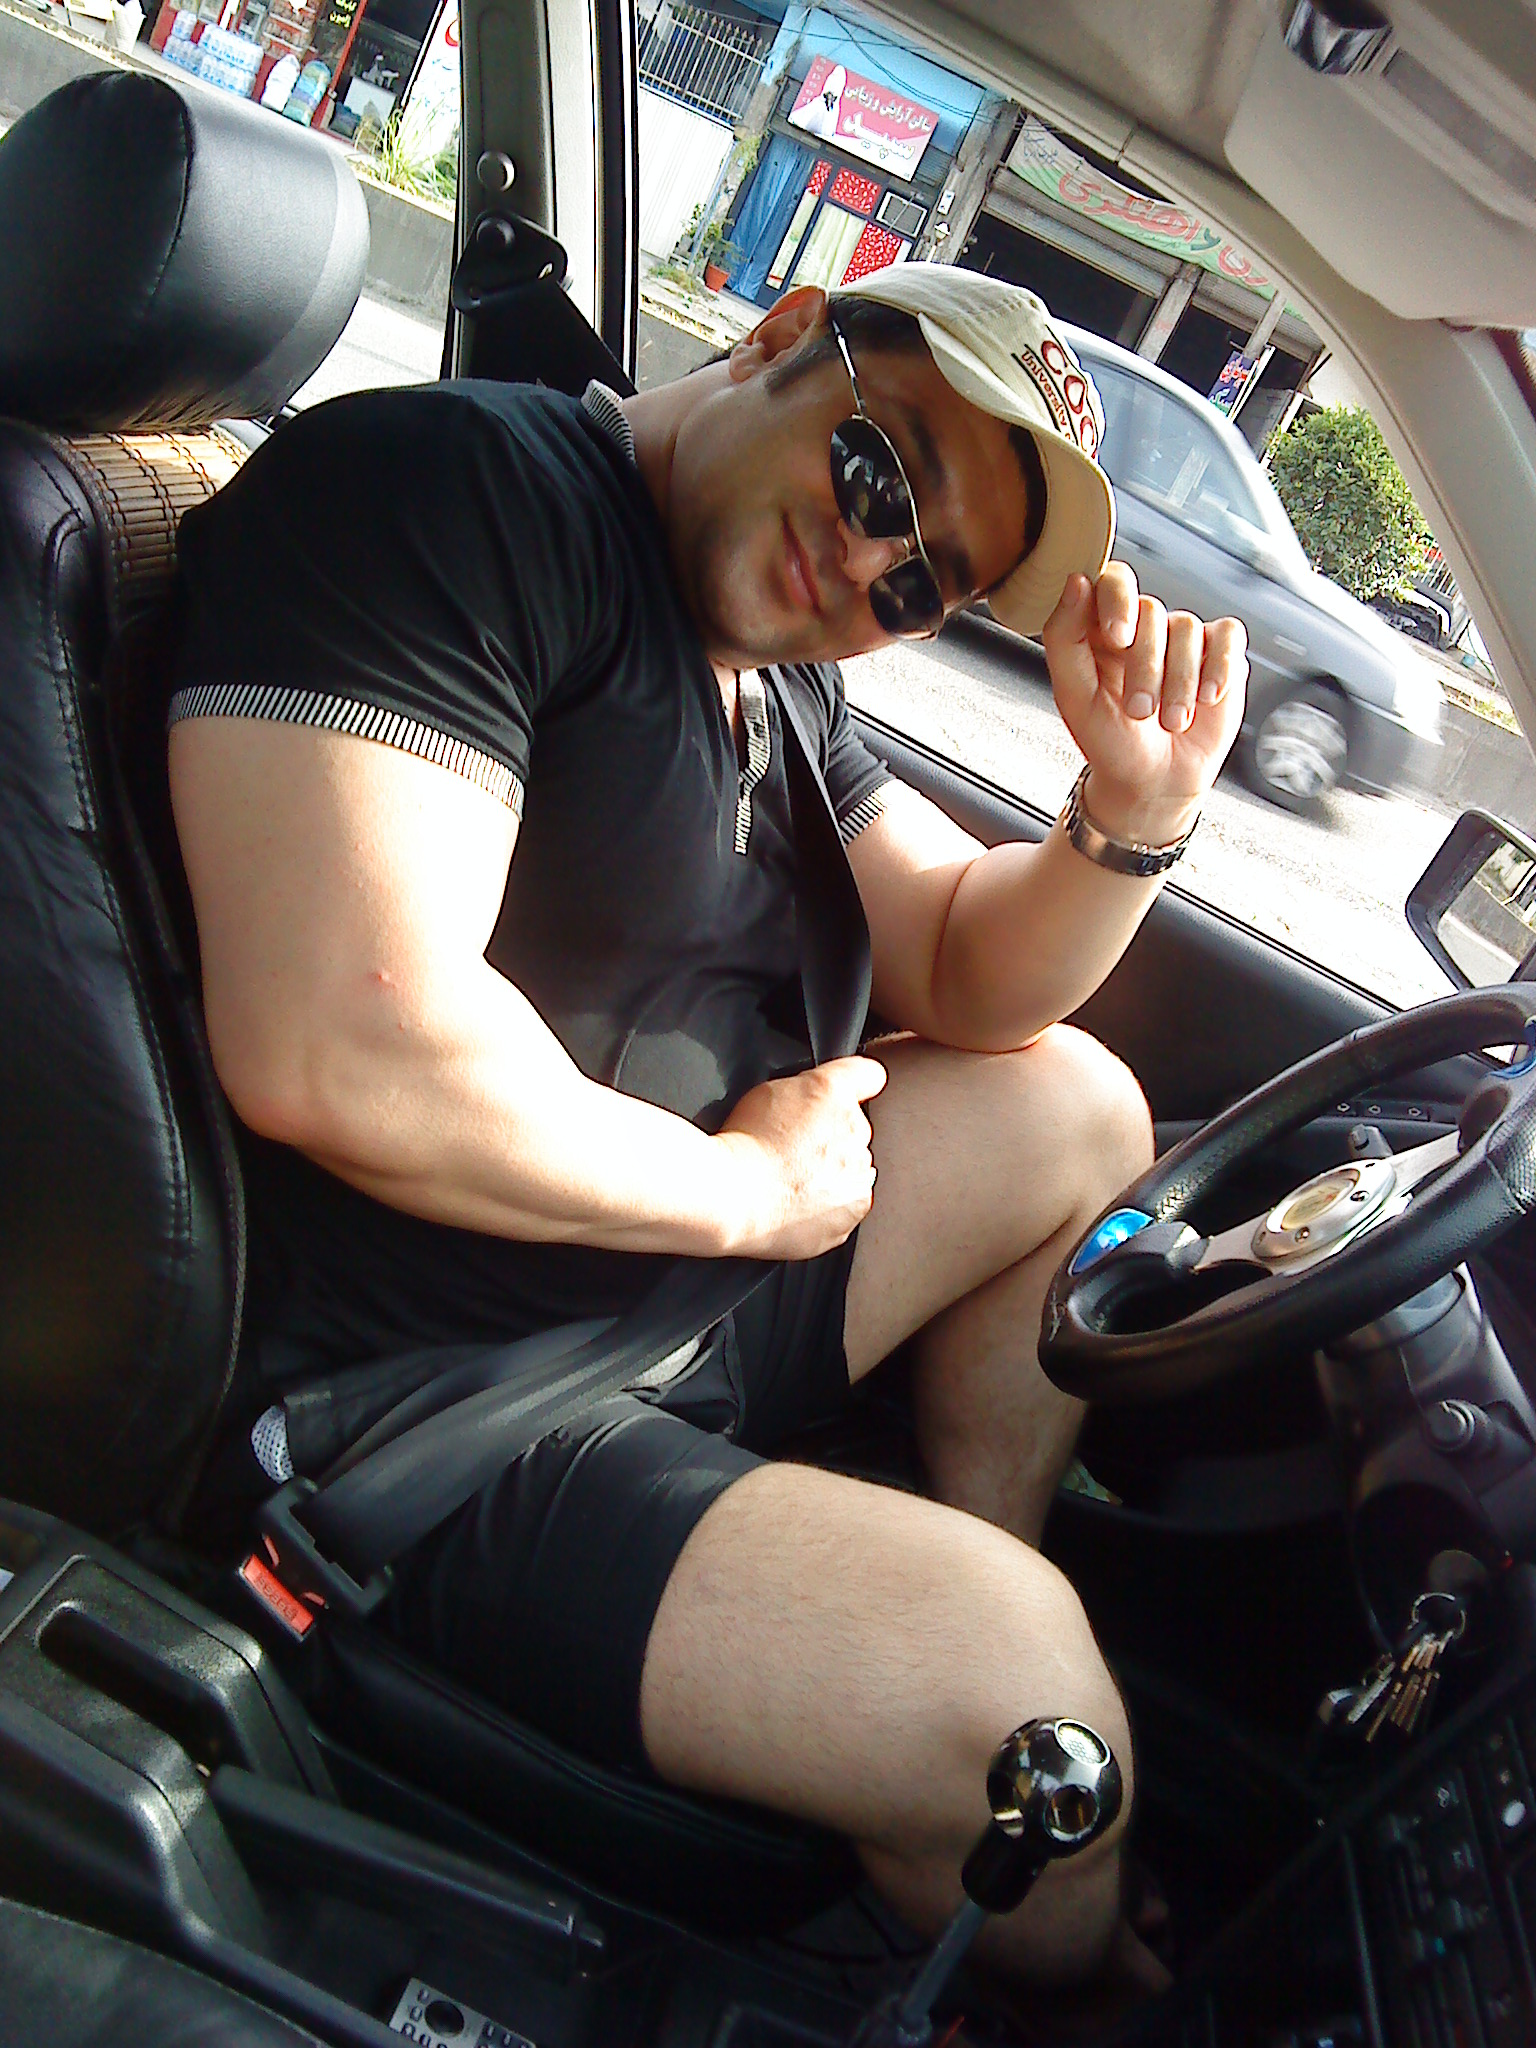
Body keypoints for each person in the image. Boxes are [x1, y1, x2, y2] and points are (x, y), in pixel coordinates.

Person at [168, 264, 1247, 1994]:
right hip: (436, 1411)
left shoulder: (769, 673)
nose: (876, 562)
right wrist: (742, 1190)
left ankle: (933, 1615)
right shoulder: (461, 494)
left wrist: (1132, 813)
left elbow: (966, 964)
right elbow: (343, 1043)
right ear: (782, 332)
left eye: (927, 582)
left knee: (1074, 1106)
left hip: (657, 1298)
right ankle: (1045, 1974)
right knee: (1030, 1723)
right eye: (882, 471)